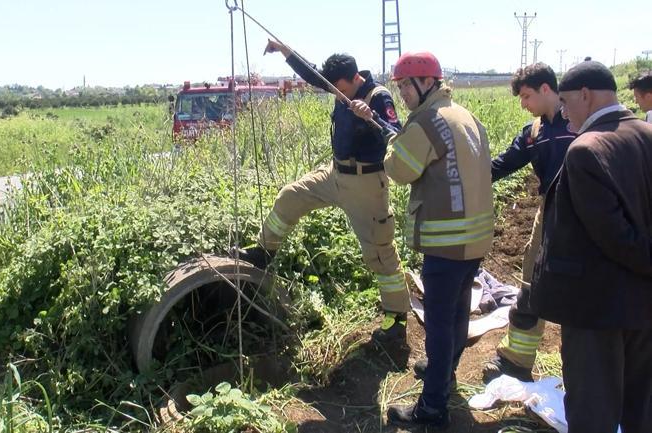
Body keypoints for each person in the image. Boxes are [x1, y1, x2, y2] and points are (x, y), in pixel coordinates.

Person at [234, 39, 411, 345]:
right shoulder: (340, 87)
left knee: (380, 253)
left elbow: (395, 135)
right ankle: (263, 252)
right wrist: (285, 50)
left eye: (340, 87)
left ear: (356, 78)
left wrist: (371, 117)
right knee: (290, 196)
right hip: (335, 174)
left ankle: (396, 319)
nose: (336, 93)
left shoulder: (378, 96)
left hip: (366, 184)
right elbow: (314, 75)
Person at [351, 52, 493, 428]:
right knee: (459, 313)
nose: (400, 94)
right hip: (475, 237)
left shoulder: (427, 121)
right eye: (397, 87)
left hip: (447, 240)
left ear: (426, 82)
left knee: (440, 323)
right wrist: (392, 131)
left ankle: (432, 407)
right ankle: (444, 373)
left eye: (404, 86)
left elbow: (399, 169)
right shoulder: (463, 115)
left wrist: (389, 145)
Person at [530, 61, 652, 433]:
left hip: (596, 308)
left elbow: (613, 236)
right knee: (641, 405)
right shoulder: (646, 134)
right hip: (643, 304)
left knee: (591, 410)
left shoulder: (586, 149)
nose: (564, 113)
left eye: (566, 102)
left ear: (585, 94)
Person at [480, 63, 576, 383]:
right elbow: (501, 165)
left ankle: (585, 370)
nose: (523, 103)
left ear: (546, 89)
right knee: (532, 280)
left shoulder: (580, 121)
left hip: (586, 216)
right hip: (548, 212)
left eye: (526, 96)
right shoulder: (534, 133)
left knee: (584, 287)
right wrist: (463, 173)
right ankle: (516, 359)